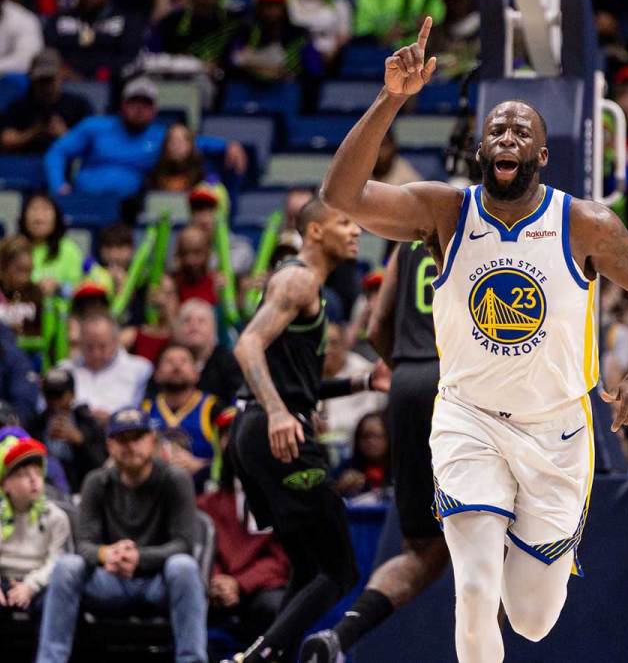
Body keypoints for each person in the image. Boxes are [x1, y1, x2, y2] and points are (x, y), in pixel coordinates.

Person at [312, 18, 628, 663]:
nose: (507, 136)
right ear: (481, 149)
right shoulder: (445, 211)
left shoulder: (584, 223)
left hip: (556, 429)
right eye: (497, 130)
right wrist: (391, 99)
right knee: (476, 586)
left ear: (541, 155)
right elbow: (341, 194)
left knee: (533, 619)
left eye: (522, 131)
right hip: (469, 418)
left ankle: (535, 555)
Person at [226, 195, 387, 662]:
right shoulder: (298, 279)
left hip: (256, 430)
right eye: (345, 223)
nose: (356, 231)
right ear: (315, 231)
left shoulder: (306, 286)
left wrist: (362, 381)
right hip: (278, 431)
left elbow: (297, 381)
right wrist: (279, 412)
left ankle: (268, 657)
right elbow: (247, 346)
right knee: (340, 569)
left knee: (309, 564)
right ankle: (255, 659)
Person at [301, 239, 449, 661]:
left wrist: (409, 373)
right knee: (497, 545)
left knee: (421, 550)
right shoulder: (489, 226)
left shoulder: (408, 245)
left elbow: (376, 328)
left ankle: (339, 636)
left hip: (408, 384)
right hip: (461, 386)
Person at [36, 407, 207, 663]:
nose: (130, 446)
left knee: (184, 566)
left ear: (152, 440)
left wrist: (139, 557)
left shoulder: (175, 479)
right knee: (67, 566)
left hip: (158, 582)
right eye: (122, 439)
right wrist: (107, 554)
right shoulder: (96, 481)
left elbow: (183, 544)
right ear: (109, 445)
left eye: (137, 437)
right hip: (110, 580)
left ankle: (192, 660)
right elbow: (84, 545)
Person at [44, 77, 245, 203]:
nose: (139, 109)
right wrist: (58, 185)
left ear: (155, 110)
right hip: (85, 200)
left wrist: (228, 145)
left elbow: (194, 142)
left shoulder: (161, 137)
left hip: (130, 206)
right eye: (134, 102)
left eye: (146, 103)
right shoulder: (95, 126)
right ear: (123, 105)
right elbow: (58, 151)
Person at [0, 437, 70, 663]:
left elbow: (57, 561)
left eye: (37, 472)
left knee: (54, 604)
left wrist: (31, 586)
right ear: (5, 484)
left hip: (41, 584)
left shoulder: (56, 517)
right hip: (2, 582)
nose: (34, 480)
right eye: (23, 474)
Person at [196, 418, 290, 654]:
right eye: (227, 436)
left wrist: (239, 584)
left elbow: (281, 560)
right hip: (216, 588)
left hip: (260, 587)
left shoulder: (280, 499)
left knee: (276, 605)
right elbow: (201, 550)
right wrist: (217, 581)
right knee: (187, 596)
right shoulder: (206, 503)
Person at [143, 343, 224, 489]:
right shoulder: (144, 411)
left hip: (203, 492)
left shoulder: (215, 409)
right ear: (157, 374)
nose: (177, 366)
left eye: (183, 361)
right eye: (169, 361)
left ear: (196, 373)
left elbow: (231, 460)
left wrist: (202, 465)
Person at [61, 312, 154, 420]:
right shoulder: (64, 371)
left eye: (102, 346)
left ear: (116, 340)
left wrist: (113, 419)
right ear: (80, 343)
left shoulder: (140, 369)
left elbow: (147, 412)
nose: (96, 353)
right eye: (89, 347)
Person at [0, 48, 92, 154]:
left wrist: (64, 135)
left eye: (50, 79)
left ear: (61, 75)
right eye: (41, 80)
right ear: (31, 79)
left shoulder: (78, 106)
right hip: (26, 159)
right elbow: (5, 141)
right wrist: (34, 132)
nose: (46, 87)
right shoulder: (18, 107)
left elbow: (92, 144)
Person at [29, 367, 107, 493]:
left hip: (83, 488)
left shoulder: (88, 423)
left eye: (59, 395)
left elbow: (102, 466)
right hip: (46, 488)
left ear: (72, 394)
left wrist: (80, 441)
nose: (54, 401)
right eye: (49, 395)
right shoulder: (34, 425)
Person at [42, 0, 142, 80]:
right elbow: (50, 49)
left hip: (110, 82)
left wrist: (104, 73)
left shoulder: (124, 21)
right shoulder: (61, 20)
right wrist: (62, 69)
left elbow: (129, 56)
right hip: (67, 80)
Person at [226, 0, 322, 84]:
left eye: (276, 5)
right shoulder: (245, 31)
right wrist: (258, 67)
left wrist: (288, 72)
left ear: (284, 7)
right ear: (258, 7)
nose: (271, 10)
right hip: (247, 86)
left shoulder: (299, 34)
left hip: (288, 88)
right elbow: (233, 60)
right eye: (266, 5)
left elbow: (314, 68)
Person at [320, 321, 387, 443]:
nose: (327, 349)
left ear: (345, 344)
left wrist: (328, 426)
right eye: (322, 344)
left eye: (333, 343)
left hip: (354, 445)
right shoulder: (307, 372)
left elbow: (369, 420)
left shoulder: (365, 373)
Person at [148, 0, 243, 69]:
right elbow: (153, 56)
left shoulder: (233, 19)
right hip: (180, 77)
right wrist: (191, 64)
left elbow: (237, 55)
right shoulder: (171, 21)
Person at [173, 298, 243, 404]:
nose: (194, 326)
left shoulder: (229, 362)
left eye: (201, 321)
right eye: (187, 320)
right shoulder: (168, 359)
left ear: (213, 328)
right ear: (178, 329)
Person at [18, 193, 85, 295]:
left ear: (56, 217)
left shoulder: (69, 250)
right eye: (34, 209)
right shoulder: (13, 248)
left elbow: (80, 288)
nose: (39, 217)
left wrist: (59, 287)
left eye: (46, 209)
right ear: (23, 216)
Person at [0, 235, 44, 346]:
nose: (25, 278)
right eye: (20, 270)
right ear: (3, 267)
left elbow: (42, 334)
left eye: (28, 271)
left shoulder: (36, 293)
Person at [331, 411, 389, 499]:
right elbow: (326, 493)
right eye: (365, 436)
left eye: (377, 436)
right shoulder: (347, 467)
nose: (371, 442)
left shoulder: (398, 469)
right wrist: (340, 487)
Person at [287, 0, 352, 65]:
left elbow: (344, 34)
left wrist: (333, 52)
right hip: (295, 54)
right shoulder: (289, 1)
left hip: (330, 57)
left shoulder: (338, 3)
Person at [149, 123, 209, 192]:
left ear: (191, 145)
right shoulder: (154, 177)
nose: (177, 145)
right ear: (165, 146)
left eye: (182, 140)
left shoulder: (202, 177)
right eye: (173, 140)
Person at [173, 226, 219, 306]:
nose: (190, 260)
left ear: (208, 251)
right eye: (184, 253)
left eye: (197, 252)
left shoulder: (219, 284)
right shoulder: (172, 285)